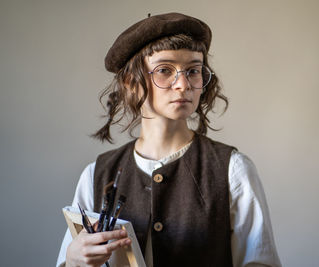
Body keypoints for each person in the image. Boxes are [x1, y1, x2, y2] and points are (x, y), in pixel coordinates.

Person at [56, 12, 281, 267]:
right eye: (164, 70)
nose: (183, 84)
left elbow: (261, 263)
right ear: (131, 81)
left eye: (193, 70)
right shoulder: (96, 175)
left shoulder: (232, 170)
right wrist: (74, 261)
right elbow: (69, 260)